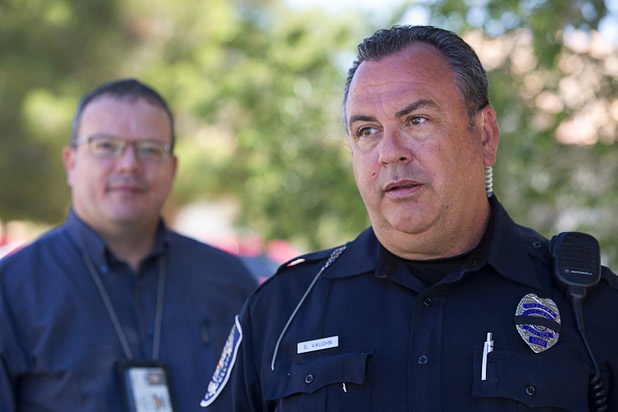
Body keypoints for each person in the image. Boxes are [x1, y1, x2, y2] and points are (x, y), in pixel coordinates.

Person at [200, 25, 618, 411]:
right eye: (367, 130)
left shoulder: (592, 309)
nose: (389, 152)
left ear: (485, 135)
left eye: (417, 120)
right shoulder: (282, 309)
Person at [0, 78, 258, 411]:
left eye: (151, 149)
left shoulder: (229, 281)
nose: (129, 164)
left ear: (173, 168)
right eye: (105, 145)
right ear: (71, 163)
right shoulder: (11, 290)